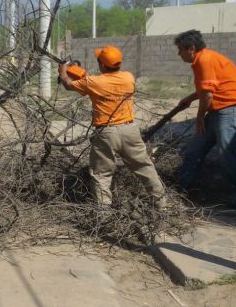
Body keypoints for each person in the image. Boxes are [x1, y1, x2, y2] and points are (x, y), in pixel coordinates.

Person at [58, 45, 166, 207]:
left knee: (101, 175)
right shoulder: (128, 77)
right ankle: (161, 205)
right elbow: (103, 82)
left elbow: (67, 83)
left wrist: (63, 69)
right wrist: (83, 74)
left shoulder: (93, 82)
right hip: (130, 130)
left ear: (102, 64)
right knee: (145, 168)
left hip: (106, 133)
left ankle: (104, 216)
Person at [171, 29, 236, 194]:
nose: (179, 54)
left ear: (191, 48)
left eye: (180, 49)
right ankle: (180, 190)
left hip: (228, 110)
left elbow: (207, 95)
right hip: (216, 111)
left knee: (226, 154)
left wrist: (199, 117)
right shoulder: (202, 59)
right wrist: (190, 98)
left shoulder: (205, 60)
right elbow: (207, 89)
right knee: (194, 150)